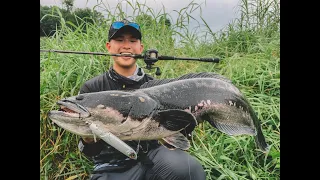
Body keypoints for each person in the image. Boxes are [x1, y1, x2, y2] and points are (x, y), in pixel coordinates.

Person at [77, 19, 206, 180]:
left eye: (133, 40)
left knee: (189, 169)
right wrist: (88, 140)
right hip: (111, 166)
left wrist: (190, 119)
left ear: (141, 48)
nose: (126, 45)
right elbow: (89, 151)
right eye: (119, 40)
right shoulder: (91, 89)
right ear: (108, 46)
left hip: (154, 157)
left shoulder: (155, 87)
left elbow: (175, 130)